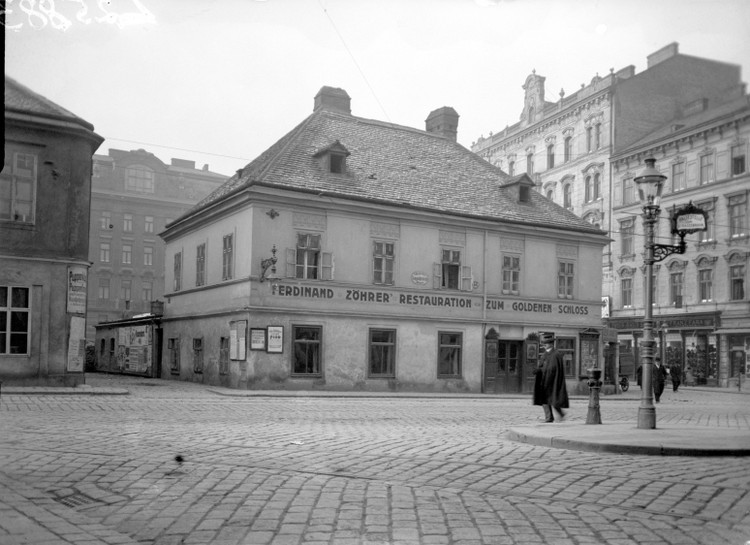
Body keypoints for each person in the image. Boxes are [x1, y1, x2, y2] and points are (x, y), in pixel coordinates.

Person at [532, 333, 569, 422]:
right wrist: (537, 370)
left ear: (551, 344)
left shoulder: (556, 354)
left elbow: (553, 368)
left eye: (546, 344)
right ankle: (549, 417)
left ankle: (559, 414)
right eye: (544, 344)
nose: (544, 345)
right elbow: (542, 365)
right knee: (545, 399)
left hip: (553, 381)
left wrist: (543, 370)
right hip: (544, 380)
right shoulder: (545, 354)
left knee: (553, 400)